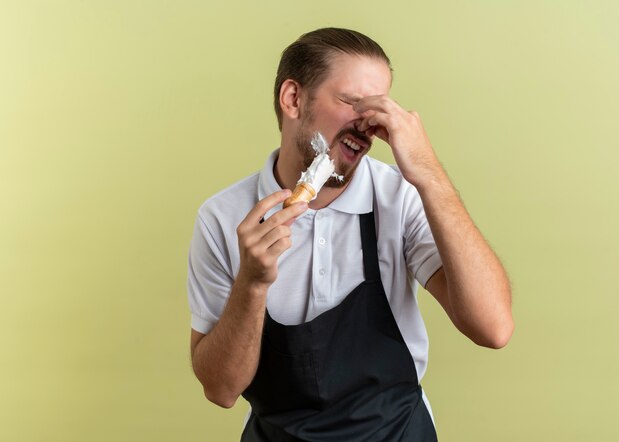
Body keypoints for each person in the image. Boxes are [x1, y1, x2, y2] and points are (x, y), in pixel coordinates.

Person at [187, 27, 514, 441]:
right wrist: (251, 284)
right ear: (293, 99)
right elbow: (221, 389)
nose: (367, 125)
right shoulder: (224, 218)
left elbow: (493, 329)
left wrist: (428, 174)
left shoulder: (399, 197)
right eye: (352, 102)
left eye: (378, 107)